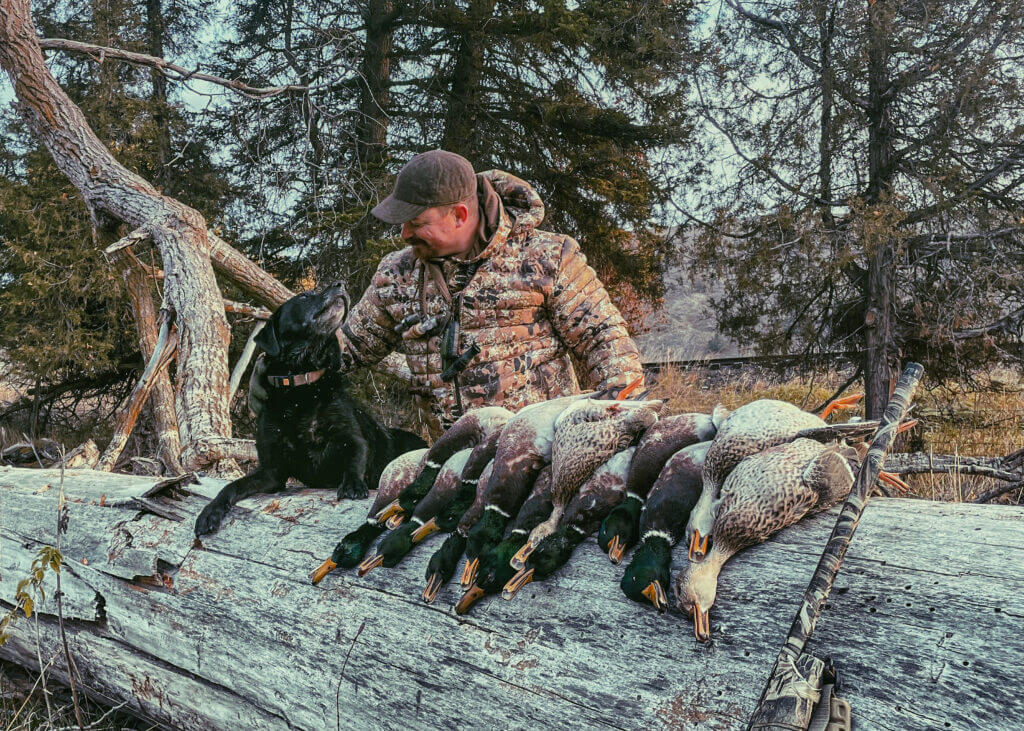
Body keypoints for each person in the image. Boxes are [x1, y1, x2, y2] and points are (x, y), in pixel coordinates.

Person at [250, 149, 645, 430]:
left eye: (416, 222)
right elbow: (349, 348)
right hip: (448, 467)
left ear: (459, 215)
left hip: (538, 455)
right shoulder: (396, 274)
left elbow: (606, 343)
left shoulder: (548, 257)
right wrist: (275, 367)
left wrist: (618, 428)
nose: (404, 234)